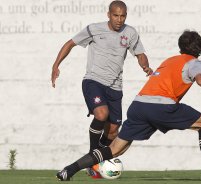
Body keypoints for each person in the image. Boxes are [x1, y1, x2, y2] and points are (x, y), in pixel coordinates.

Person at [56, 30, 201, 182]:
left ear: (181, 47)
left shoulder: (170, 61)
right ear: (199, 48)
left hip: (138, 106)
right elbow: (200, 79)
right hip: (161, 107)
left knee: (115, 149)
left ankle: (69, 170)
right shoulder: (194, 62)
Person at [51, 0, 152, 179]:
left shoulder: (130, 33)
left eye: (123, 16)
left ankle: (95, 158)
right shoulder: (94, 29)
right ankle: (93, 157)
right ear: (108, 14)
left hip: (115, 88)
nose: (119, 19)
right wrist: (56, 65)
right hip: (94, 81)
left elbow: (140, 54)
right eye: (115, 15)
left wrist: (145, 66)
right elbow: (70, 43)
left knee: (113, 131)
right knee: (101, 114)